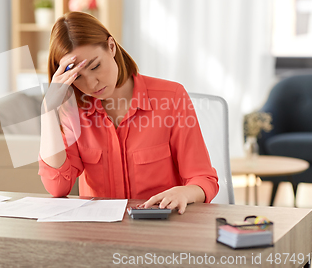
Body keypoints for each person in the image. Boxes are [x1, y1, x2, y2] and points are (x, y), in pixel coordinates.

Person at [38, 11, 218, 214]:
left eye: (96, 66)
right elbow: (57, 186)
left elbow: (204, 179)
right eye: (78, 77)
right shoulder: (73, 111)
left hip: (160, 229)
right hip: (100, 234)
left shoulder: (172, 97)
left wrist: (185, 193)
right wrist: (48, 111)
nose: (91, 83)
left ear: (111, 47)